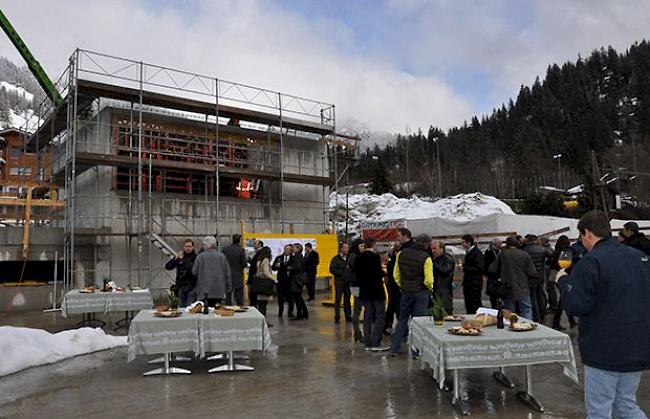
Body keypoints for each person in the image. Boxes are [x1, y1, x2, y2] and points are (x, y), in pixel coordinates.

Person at [554, 210, 650, 418]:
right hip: (637, 344)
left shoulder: (591, 262)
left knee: (599, 410)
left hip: (605, 348)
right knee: (625, 405)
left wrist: (562, 281)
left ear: (587, 233)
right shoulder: (640, 257)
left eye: (581, 236)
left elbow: (576, 305)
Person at [389, 234, 434, 356]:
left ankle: (394, 348)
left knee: (402, 320)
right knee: (419, 323)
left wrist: (402, 285)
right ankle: (416, 351)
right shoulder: (426, 258)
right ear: (425, 244)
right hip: (421, 293)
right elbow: (429, 279)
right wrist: (429, 288)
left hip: (406, 292)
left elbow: (396, 274)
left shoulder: (401, 254)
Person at [489, 236, 536, 320]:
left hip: (506, 286)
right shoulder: (524, 254)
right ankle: (527, 327)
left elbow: (492, 269)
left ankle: (512, 327)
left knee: (509, 311)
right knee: (526, 309)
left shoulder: (503, 254)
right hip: (522, 286)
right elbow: (532, 272)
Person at [355, 237, 388, 350]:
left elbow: (358, 274)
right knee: (379, 315)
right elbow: (377, 272)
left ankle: (367, 342)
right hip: (376, 290)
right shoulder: (374, 257)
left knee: (367, 315)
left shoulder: (358, 258)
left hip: (365, 291)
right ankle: (376, 342)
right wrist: (384, 273)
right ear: (373, 245)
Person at [192, 236, 232, 306]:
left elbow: (194, 272)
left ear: (207, 245)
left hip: (203, 292)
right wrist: (228, 288)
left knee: (205, 313)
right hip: (219, 291)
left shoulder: (200, 257)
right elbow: (228, 273)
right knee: (218, 313)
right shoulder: (222, 256)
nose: (203, 247)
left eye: (203, 245)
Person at [548, 235, 576, 330]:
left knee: (563, 298)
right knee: (563, 299)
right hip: (561, 275)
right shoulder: (565, 252)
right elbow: (567, 266)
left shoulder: (555, 252)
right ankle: (559, 322)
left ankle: (570, 321)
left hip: (553, 275)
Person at [164, 238, 197, 307]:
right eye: (186, 246)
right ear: (183, 247)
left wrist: (183, 260)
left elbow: (193, 268)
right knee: (181, 307)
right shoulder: (180, 257)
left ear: (193, 247)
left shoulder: (196, 258)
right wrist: (175, 258)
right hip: (181, 287)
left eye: (190, 246)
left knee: (189, 306)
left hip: (191, 287)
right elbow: (168, 267)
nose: (188, 248)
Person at [522, 234, 547, 322]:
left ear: (528, 240)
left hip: (530, 276)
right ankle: (543, 312)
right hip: (541, 274)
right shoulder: (542, 249)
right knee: (540, 294)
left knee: (533, 297)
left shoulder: (525, 250)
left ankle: (537, 317)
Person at [329, 242, 353, 324]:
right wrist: (342, 272)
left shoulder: (349, 258)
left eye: (348, 248)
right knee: (338, 300)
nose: (347, 249)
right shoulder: (336, 259)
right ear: (341, 249)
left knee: (347, 300)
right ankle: (337, 317)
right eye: (345, 248)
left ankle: (348, 316)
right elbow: (332, 269)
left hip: (347, 282)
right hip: (339, 282)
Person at [254, 246, 277, 325]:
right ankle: (263, 322)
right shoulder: (266, 260)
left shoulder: (259, 261)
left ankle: (261, 321)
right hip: (265, 285)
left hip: (259, 284)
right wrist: (274, 279)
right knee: (263, 305)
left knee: (261, 304)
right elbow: (266, 272)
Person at [222, 234, 247, 306]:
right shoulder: (241, 250)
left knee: (228, 296)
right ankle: (239, 312)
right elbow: (244, 264)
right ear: (239, 240)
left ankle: (227, 311)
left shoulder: (225, 249)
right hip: (238, 275)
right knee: (239, 296)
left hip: (227, 275)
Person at [461, 234, 484, 314]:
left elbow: (479, 268)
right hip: (468, 283)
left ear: (469, 242)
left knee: (475, 305)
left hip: (474, 284)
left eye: (463, 242)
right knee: (468, 305)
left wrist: (464, 268)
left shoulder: (477, 253)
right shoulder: (469, 252)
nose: (462, 244)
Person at [431, 240, 455, 314]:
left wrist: (433, 263)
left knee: (444, 311)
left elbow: (445, 270)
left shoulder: (448, 259)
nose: (433, 251)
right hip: (435, 289)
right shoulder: (434, 258)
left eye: (435, 248)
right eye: (431, 248)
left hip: (443, 290)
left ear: (441, 249)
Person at [383, 242, 401, 335]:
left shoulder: (390, 262)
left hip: (391, 286)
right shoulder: (395, 262)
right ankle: (400, 328)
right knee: (395, 307)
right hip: (395, 287)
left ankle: (387, 325)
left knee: (392, 306)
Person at [348, 239, 365, 342]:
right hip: (357, 285)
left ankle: (357, 333)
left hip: (356, 284)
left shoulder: (353, 256)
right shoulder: (354, 256)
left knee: (358, 309)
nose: (363, 248)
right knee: (357, 309)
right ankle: (357, 332)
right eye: (361, 246)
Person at [273, 244, 294, 318]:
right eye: (285, 249)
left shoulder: (293, 258)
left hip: (290, 281)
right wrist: (276, 266)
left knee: (290, 298)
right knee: (280, 297)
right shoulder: (279, 258)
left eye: (288, 249)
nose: (286, 251)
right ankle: (280, 311)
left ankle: (290, 312)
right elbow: (273, 267)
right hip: (281, 280)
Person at [288, 243, 309, 320]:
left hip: (296, 280)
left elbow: (297, 267)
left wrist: (289, 268)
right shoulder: (299, 256)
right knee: (298, 297)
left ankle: (300, 314)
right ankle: (304, 313)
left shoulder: (297, 257)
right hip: (298, 280)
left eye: (293, 247)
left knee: (297, 297)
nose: (292, 248)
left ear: (298, 249)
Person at [539, 236, 558, 311]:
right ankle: (553, 304)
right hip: (549, 270)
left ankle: (553, 305)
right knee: (549, 288)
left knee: (550, 287)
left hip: (550, 270)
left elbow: (551, 257)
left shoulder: (547, 249)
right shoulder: (548, 248)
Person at [483, 239, 501, 309]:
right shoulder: (489, 253)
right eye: (499, 243)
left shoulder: (500, 251)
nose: (500, 244)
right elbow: (486, 265)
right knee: (493, 296)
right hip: (492, 277)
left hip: (498, 276)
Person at [247, 239, 264, 307]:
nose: (253, 245)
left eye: (255, 243)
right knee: (252, 296)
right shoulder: (257, 253)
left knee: (254, 297)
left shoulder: (261, 253)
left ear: (260, 244)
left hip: (256, 279)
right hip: (253, 278)